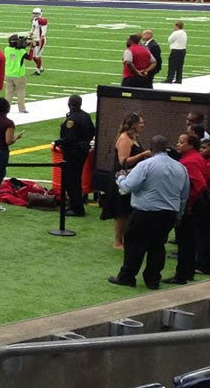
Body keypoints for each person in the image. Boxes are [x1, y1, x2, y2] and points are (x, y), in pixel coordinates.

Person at [109, 136, 189, 290]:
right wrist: (178, 215)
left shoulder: (146, 165)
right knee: (158, 245)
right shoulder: (181, 168)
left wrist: (120, 178)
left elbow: (128, 186)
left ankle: (127, 277)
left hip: (146, 212)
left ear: (151, 150)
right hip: (168, 214)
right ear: (166, 148)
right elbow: (184, 196)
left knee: (134, 244)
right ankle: (152, 280)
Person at [171, 132, 210, 286]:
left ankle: (182, 275)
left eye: (181, 142)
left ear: (190, 145)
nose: (178, 144)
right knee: (192, 240)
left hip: (195, 205)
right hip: (200, 203)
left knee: (185, 240)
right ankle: (187, 273)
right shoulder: (196, 158)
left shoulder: (190, 161)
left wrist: (187, 204)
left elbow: (199, 184)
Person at [104, 113, 147, 249]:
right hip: (121, 175)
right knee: (121, 210)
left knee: (128, 208)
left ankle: (127, 238)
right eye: (140, 123)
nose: (142, 125)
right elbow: (123, 160)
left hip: (131, 174)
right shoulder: (124, 138)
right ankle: (118, 241)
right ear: (133, 124)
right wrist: (143, 155)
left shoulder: (134, 137)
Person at [56, 96, 96, 220]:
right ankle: (75, 205)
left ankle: (76, 208)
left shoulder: (72, 119)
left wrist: (58, 141)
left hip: (73, 152)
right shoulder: (85, 115)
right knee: (75, 179)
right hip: (82, 151)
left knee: (71, 181)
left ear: (70, 104)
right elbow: (92, 132)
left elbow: (70, 138)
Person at [169, 21, 190, 85]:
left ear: (177, 26)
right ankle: (178, 79)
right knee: (179, 66)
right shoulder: (184, 32)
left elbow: (169, 40)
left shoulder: (176, 32)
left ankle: (170, 78)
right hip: (183, 50)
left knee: (172, 65)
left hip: (176, 50)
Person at [29, 6, 48, 74]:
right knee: (33, 56)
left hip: (40, 40)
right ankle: (40, 67)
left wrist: (40, 40)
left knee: (37, 56)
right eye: (34, 13)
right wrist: (30, 35)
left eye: (36, 13)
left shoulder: (42, 21)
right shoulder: (34, 20)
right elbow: (33, 29)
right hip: (34, 39)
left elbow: (43, 32)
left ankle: (38, 70)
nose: (35, 14)